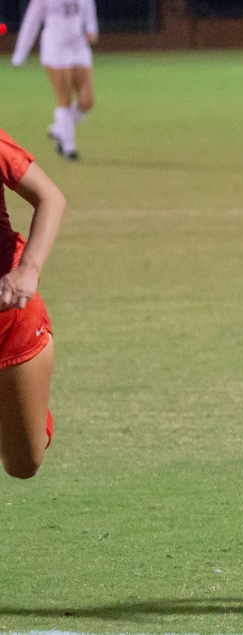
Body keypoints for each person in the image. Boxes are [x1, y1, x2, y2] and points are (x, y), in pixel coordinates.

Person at [0, 127, 66, 480]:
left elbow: (50, 198)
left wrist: (27, 271)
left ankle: (23, 405)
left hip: (9, 319)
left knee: (24, 464)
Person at [11, 0, 99, 162]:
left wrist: (91, 29)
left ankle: (59, 128)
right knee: (64, 98)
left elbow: (88, 10)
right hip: (55, 47)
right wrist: (20, 55)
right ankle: (68, 148)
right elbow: (32, 21)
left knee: (87, 101)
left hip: (78, 46)